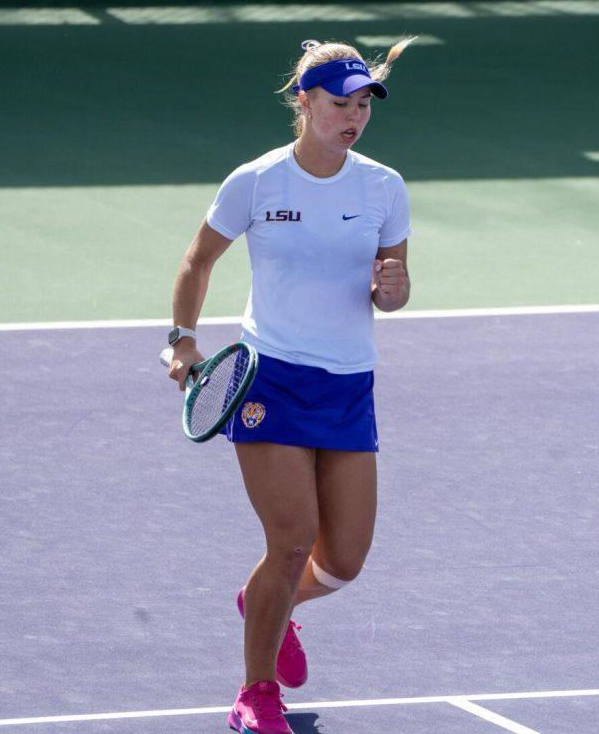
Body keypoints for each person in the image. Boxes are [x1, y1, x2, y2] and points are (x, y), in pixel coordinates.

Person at [166, 38, 415, 734]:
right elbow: (198, 259)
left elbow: (387, 294)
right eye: (340, 103)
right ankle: (257, 692)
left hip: (348, 387)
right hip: (267, 379)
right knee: (291, 538)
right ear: (304, 103)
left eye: (363, 104)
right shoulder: (257, 181)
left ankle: (269, 604)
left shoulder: (384, 188)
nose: (354, 117)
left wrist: (392, 289)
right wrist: (181, 338)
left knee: (344, 560)